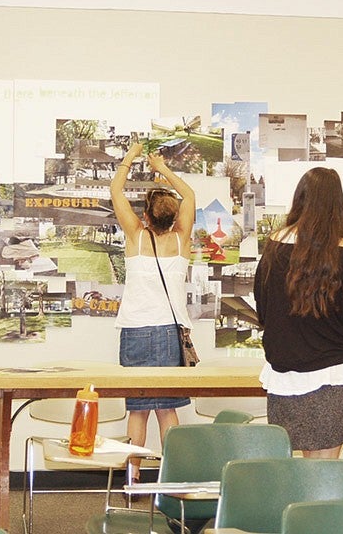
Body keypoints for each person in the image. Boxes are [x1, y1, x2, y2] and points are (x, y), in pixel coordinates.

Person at [254, 167, 343, 457]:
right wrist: (342, 347)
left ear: (300, 198)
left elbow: (263, 309)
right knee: (327, 468)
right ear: (338, 205)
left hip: (286, 376)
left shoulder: (274, 246)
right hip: (336, 373)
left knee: (305, 466)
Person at [111, 142, 195, 482]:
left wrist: (132, 157)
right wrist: (162, 169)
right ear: (174, 217)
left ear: (145, 216)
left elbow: (116, 188)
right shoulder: (181, 240)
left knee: (138, 410)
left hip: (135, 330)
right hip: (169, 333)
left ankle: (132, 480)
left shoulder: (137, 237)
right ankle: (171, 478)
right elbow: (188, 195)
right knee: (166, 409)